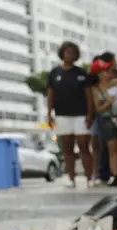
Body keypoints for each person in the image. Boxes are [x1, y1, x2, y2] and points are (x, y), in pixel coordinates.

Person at [47, 41, 94, 188]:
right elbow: (50, 94)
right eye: (67, 52)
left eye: (73, 52)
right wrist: (49, 113)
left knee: (83, 146)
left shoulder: (81, 73)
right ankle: (70, 178)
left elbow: (89, 96)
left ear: (76, 55)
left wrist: (90, 114)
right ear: (62, 53)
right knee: (67, 147)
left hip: (81, 115)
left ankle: (90, 178)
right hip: (62, 115)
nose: (70, 54)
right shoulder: (55, 73)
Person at [91, 59, 117, 187]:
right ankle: (115, 176)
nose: (109, 73)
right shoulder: (95, 88)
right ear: (99, 74)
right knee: (112, 149)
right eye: (105, 71)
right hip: (106, 119)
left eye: (109, 70)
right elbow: (98, 109)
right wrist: (109, 101)